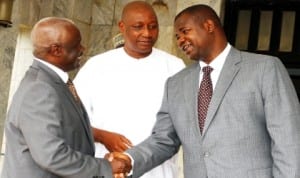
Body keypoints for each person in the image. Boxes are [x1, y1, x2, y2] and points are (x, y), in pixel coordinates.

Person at [109, 4, 300, 178]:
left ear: (209, 26)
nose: (181, 40)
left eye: (184, 32)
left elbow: (289, 141)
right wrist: (130, 160)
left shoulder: (264, 69)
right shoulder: (175, 84)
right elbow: (163, 140)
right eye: (177, 37)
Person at [1, 17, 130, 178]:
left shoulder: (55, 81)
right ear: (56, 50)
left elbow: (67, 131)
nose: (83, 49)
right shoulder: (39, 89)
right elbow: (52, 156)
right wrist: (104, 167)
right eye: (76, 45)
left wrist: (101, 142)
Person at [73, 1, 185, 178]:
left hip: (158, 170)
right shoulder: (97, 66)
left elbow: (182, 122)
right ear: (122, 27)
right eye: (138, 27)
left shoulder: (174, 66)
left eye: (153, 26)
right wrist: (103, 136)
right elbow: (72, 119)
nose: (147, 33)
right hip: (108, 167)